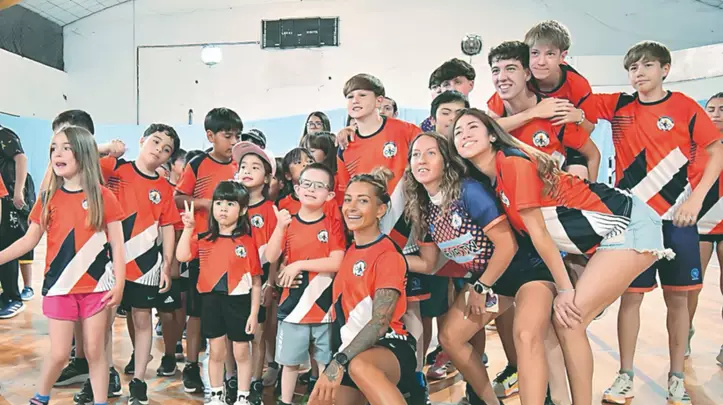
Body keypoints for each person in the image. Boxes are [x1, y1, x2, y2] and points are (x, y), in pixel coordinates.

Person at [452, 108, 672, 405]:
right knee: (551, 325)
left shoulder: (512, 162)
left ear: (492, 135)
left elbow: (540, 234)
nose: (464, 134)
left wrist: (565, 289)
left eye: (472, 127)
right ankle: (559, 399)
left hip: (628, 224)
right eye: (458, 132)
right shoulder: (492, 181)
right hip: (596, 240)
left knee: (570, 320)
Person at [586, 41, 723, 405]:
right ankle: (625, 375)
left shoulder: (686, 107)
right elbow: (574, 99)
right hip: (634, 222)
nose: (639, 73)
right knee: (630, 300)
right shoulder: (619, 106)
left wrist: (696, 199)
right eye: (633, 68)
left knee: (678, 301)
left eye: (647, 65)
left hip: (677, 221)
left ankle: (677, 377)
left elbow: (716, 151)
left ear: (665, 69)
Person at [405, 132, 560, 405]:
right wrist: (385, 258)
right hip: (490, 279)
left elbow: (508, 245)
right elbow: (428, 264)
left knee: (526, 337)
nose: (422, 160)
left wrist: (481, 286)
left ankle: (543, 398)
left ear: (446, 160)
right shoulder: (425, 207)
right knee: (450, 337)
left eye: (431, 153)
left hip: (526, 270)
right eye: (416, 154)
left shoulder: (468, 191)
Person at [0, 126, 126, 405]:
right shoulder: (48, 198)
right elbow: (29, 240)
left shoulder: (104, 196)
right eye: (53, 148)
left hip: (97, 289)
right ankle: (41, 396)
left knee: (96, 351)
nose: (57, 153)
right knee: (58, 353)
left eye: (66, 148)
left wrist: (120, 284)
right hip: (59, 288)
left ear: (84, 153)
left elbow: (118, 244)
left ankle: (100, 401)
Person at [335, 73, 431, 403]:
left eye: (362, 95)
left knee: (411, 311)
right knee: (370, 308)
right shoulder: (346, 146)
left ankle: (415, 376)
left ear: (379, 100)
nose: (355, 101)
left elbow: (428, 159)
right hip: (368, 239)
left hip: (406, 232)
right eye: (350, 97)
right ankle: (376, 372)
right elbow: (345, 195)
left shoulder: (404, 131)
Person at [308, 168, 417, 405]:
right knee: (318, 400)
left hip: (389, 346)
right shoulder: (350, 251)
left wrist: (338, 362)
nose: (352, 207)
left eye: (363, 201)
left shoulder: (388, 255)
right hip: (351, 352)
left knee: (359, 366)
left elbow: (380, 323)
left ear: (381, 210)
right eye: (348, 199)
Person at [94, 124, 181, 405]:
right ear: (142, 140)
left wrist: (166, 264)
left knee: (143, 321)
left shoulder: (164, 188)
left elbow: (168, 226)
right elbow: (83, 157)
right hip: (110, 262)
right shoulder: (115, 169)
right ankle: (107, 374)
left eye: (166, 149)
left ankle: (139, 381)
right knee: (103, 323)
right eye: (155, 142)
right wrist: (108, 148)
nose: (159, 150)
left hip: (146, 266)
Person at [50, 111, 123, 402]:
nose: (60, 148)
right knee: (79, 326)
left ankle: (107, 376)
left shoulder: (105, 165)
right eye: (56, 142)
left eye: (68, 141)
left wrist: (103, 148)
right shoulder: (58, 175)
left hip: (100, 260)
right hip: (69, 264)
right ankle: (81, 363)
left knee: (99, 333)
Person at [265, 163, 346, 405]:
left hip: (324, 309)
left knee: (324, 362)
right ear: (297, 189)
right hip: (292, 307)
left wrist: (298, 265)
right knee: (289, 364)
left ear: (329, 195)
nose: (311, 189)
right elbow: (271, 256)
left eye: (319, 186)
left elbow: (337, 261)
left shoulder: (332, 224)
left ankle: (322, 402)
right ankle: (285, 400)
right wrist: (280, 227)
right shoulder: (287, 222)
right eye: (306, 184)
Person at [175, 107, 243, 394]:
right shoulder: (198, 164)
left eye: (237, 135)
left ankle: (230, 373)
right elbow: (179, 198)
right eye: (228, 136)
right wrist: (206, 204)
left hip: (234, 249)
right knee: (197, 312)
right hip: (202, 249)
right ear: (210, 136)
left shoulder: (241, 164)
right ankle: (191, 365)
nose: (234, 141)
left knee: (229, 311)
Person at [177, 181, 262, 405]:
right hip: (211, 302)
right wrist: (188, 229)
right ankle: (216, 395)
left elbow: (256, 281)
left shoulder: (247, 242)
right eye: (219, 203)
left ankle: (243, 396)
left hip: (239, 302)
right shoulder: (204, 239)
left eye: (230, 204)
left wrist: (254, 314)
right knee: (215, 351)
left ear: (242, 210)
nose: (223, 208)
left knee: (241, 352)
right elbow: (182, 256)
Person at [486, 40, 600, 179]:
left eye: (511, 69)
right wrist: (533, 113)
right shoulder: (497, 103)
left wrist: (591, 189)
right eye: (495, 71)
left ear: (527, 74)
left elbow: (593, 154)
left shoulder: (555, 112)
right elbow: (488, 129)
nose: (502, 77)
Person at [232, 141, 278, 404]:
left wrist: (270, 284)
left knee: (257, 334)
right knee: (231, 334)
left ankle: (255, 383)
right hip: (231, 282)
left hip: (258, 282)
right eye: (243, 166)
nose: (247, 170)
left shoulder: (270, 210)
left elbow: (275, 253)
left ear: (267, 177)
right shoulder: (229, 205)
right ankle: (231, 379)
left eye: (255, 167)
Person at [696, 92, 723, 364]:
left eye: (722, 109)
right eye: (711, 109)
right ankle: (684, 333)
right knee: (691, 288)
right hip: (699, 225)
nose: (716, 114)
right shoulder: (696, 145)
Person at [0, 124, 35, 318]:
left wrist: (18, 191)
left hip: (11, 196)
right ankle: (7, 293)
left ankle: (14, 297)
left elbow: (21, 158)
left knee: (9, 241)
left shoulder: (3, 135)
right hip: (4, 196)